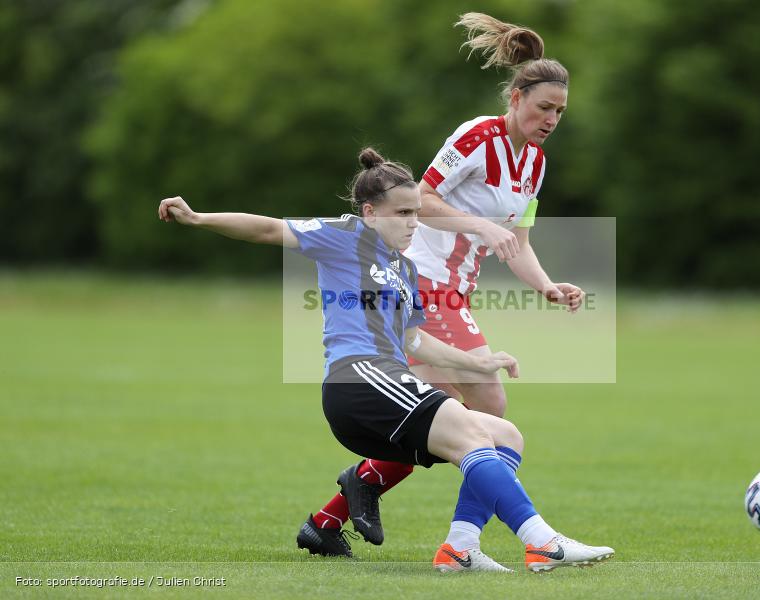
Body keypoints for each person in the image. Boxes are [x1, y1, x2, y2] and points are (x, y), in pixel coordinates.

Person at [157, 147, 614, 572]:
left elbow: (415, 342)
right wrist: (197, 218)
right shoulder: (342, 235)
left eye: (416, 211)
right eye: (403, 213)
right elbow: (266, 228)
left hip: (385, 378)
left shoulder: (406, 268)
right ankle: (542, 541)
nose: (414, 223)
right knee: (473, 434)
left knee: (505, 436)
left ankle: (461, 547)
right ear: (370, 212)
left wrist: (479, 364)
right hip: (357, 378)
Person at [307, 13, 588, 569]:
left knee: (434, 424)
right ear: (516, 97)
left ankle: (335, 513)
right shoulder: (476, 136)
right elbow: (422, 200)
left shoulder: (535, 162)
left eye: (559, 111)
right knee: (488, 407)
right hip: (423, 283)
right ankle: (462, 545)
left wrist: (547, 286)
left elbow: (520, 241)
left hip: (455, 295)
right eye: (543, 107)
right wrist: (478, 225)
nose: (551, 118)